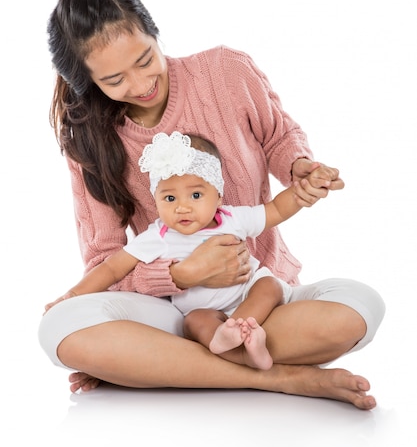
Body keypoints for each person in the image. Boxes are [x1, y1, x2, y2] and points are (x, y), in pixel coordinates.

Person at [38, 0, 385, 410]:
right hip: (168, 312)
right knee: (59, 329)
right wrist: (183, 275)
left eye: (146, 59)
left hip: (258, 302)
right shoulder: (89, 140)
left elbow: (279, 138)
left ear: (154, 31)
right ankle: (281, 378)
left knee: (359, 307)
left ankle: (168, 365)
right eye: (114, 79)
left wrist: (301, 169)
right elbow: (105, 262)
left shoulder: (225, 71)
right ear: (89, 81)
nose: (141, 82)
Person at [45, 131, 332, 370]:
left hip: (245, 294)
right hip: (200, 308)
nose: (182, 206)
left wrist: (302, 191)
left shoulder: (232, 218)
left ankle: (241, 328)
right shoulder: (158, 235)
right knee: (195, 322)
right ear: (156, 200)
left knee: (269, 284)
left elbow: (276, 210)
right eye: (169, 197)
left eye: (196, 195)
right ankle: (236, 345)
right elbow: (111, 268)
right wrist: (71, 297)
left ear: (218, 194)